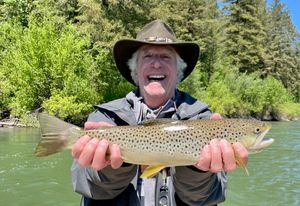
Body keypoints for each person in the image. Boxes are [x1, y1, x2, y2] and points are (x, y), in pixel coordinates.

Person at [71, 20, 248, 206]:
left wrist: (197, 170)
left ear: (178, 71)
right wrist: (114, 167)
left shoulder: (204, 122)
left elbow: (204, 198)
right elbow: (86, 185)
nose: (156, 64)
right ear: (135, 69)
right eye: (147, 56)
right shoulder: (105, 119)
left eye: (166, 57)